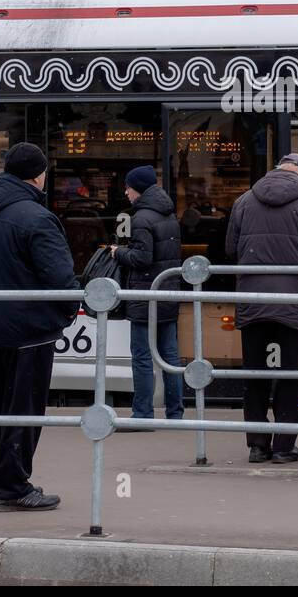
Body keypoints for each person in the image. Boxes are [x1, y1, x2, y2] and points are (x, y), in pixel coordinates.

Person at [0, 142, 79, 511]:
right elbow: (60, 277)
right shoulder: (36, 216)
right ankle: (13, 487)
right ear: (38, 174)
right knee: (25, 409)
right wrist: (71, 307)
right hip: (29, 328)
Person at [225, 153, 298, 465]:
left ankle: (257, 446)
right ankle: (285, 446)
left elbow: (231, 249)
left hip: (252, 299)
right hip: (294, 300)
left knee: (256, 375)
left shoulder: (244, 201)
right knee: (290, 375)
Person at [111, 165, 183, 422]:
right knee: (170, 357)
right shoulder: (169, 214)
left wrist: (117, 252)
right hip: (168, 294)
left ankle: (142, 413)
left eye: (128, 187)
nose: (126, 192)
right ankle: (176, 414)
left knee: (142, 357)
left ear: (138, 189)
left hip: (144, 294)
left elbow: (142, 258)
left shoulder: (141, 218)